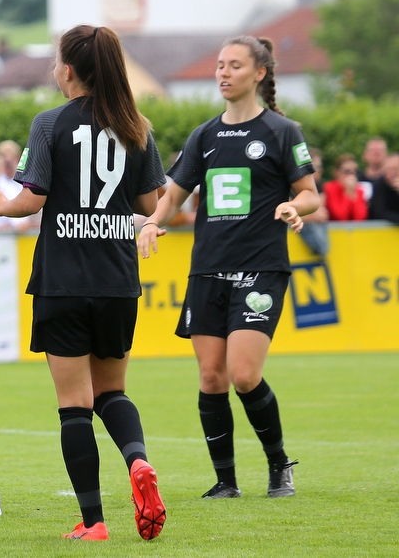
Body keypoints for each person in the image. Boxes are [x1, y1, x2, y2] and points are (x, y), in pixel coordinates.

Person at [0, 25, 167, 541]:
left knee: (74, 405)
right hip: (118, 281)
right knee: (113, 393)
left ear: (70, 71)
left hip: (63, 280)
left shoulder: (50, 123)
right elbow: (154, 205)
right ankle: (139, 462)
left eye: (57, 63)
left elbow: (30, 199)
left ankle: (94, 522)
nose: (54, 71)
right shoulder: (136, 126)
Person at [138, 35, 319, 503]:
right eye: (220, 65)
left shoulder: (282, 131)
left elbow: (310, 192)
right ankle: (226, 481)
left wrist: (293, 207)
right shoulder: (205, 135)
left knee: (243, 374)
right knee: (211, 377)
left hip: (261, 267)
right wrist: (154, 223)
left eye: (234, 65)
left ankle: (280, 465)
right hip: (208, 270)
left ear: (259, 73)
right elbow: (174, 194)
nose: (223, 72)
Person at [299, 146, 330, 256]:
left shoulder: (320, 185)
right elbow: (287, 215)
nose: (319, 171)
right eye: (315, 167)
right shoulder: (291, 185)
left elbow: (320, 212)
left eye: (319, 167)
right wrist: (311, 216)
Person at [324, 153, 368, 221]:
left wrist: (353, 194)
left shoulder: (359, 191)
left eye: (354, 171)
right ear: (337, 172)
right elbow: (340, 217)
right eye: (347, 171)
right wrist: (347, 193)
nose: (351, 175)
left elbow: (360, 218)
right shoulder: (330, 188)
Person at [368, 153, 399, 223]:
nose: (391, 173)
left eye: (395, 169)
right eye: (388, 169)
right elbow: (379, 212)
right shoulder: (378, 185)